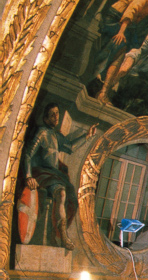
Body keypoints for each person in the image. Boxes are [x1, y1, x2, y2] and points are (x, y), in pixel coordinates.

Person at [22, 104, 97, 249]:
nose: (56, 117)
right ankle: (62, 235)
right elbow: (28, 154)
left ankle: (60, 234)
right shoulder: (42, 132)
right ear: (45, 118)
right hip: (40, 173)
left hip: (53, 175)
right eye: (52, 114)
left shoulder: (56, 136)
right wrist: (28, 176)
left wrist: (87, 136)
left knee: (68, 195)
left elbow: (70, 147)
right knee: (62, 193)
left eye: (57, 113)